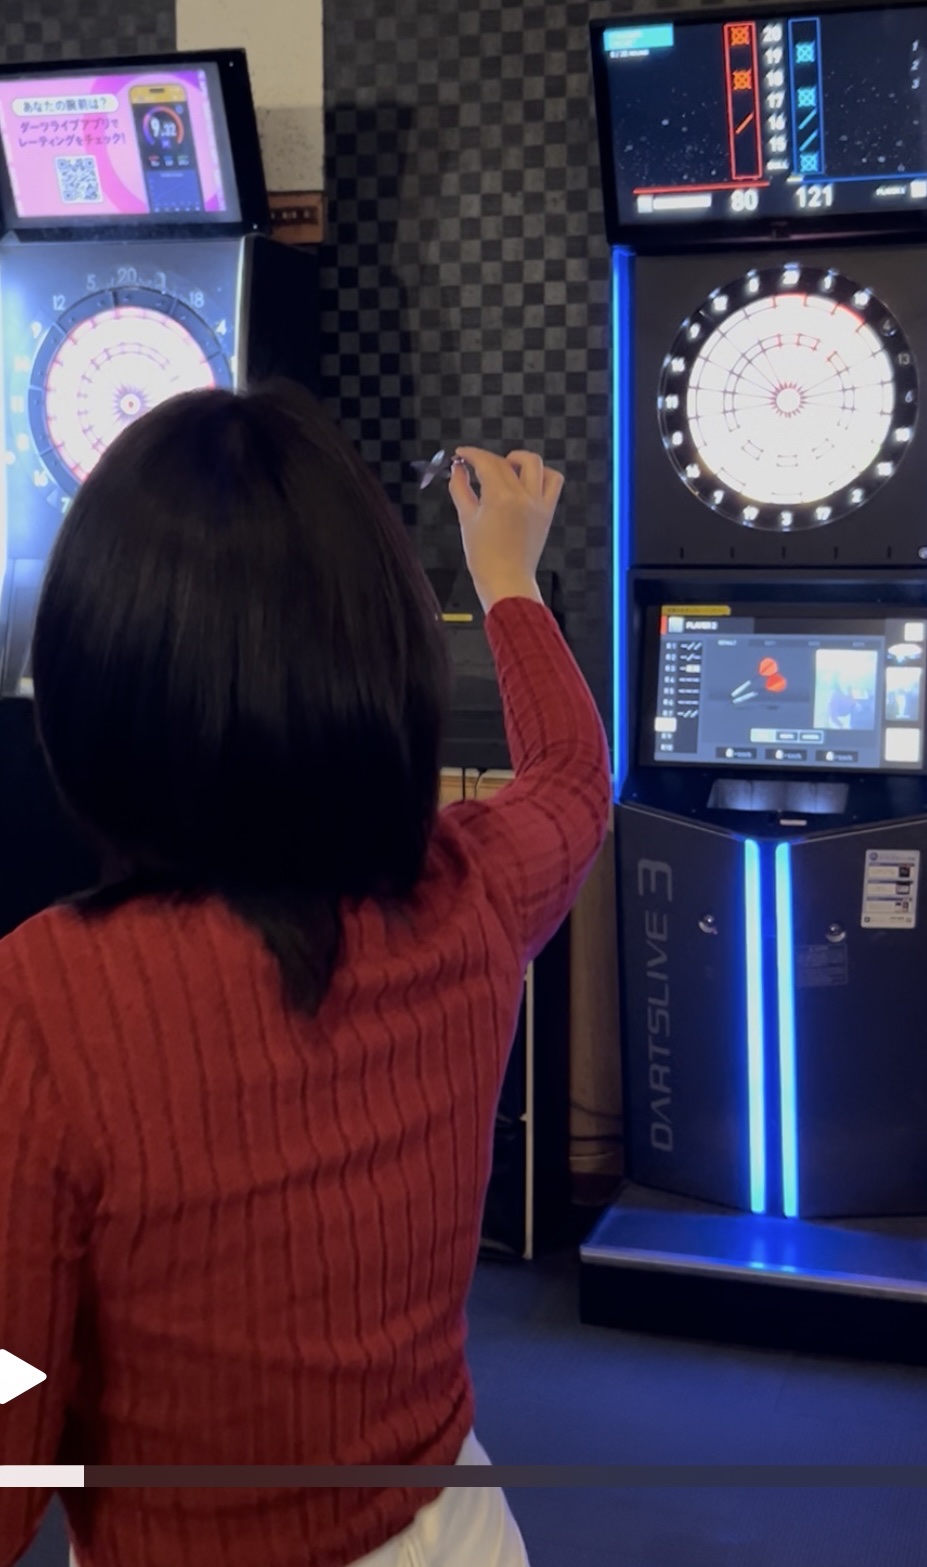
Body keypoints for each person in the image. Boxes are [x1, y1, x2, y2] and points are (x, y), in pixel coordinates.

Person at [0, 383, 611, 1567]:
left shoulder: (46, 1001)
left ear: (87, 682)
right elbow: (574, 781)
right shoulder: (470, 893)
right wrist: (507, 576)